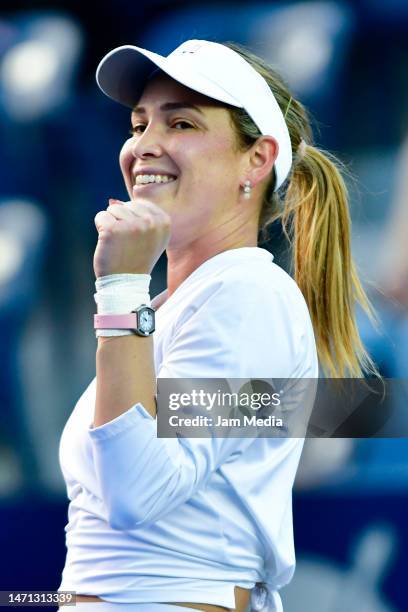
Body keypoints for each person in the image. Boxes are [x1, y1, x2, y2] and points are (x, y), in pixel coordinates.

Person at [57, 40, 379, 612]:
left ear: (256, 160)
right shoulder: (198, 302)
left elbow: (137, 490)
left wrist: (122, 287)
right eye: (138, 124)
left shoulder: (246, 296)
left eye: (180, 122)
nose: (143, 146)